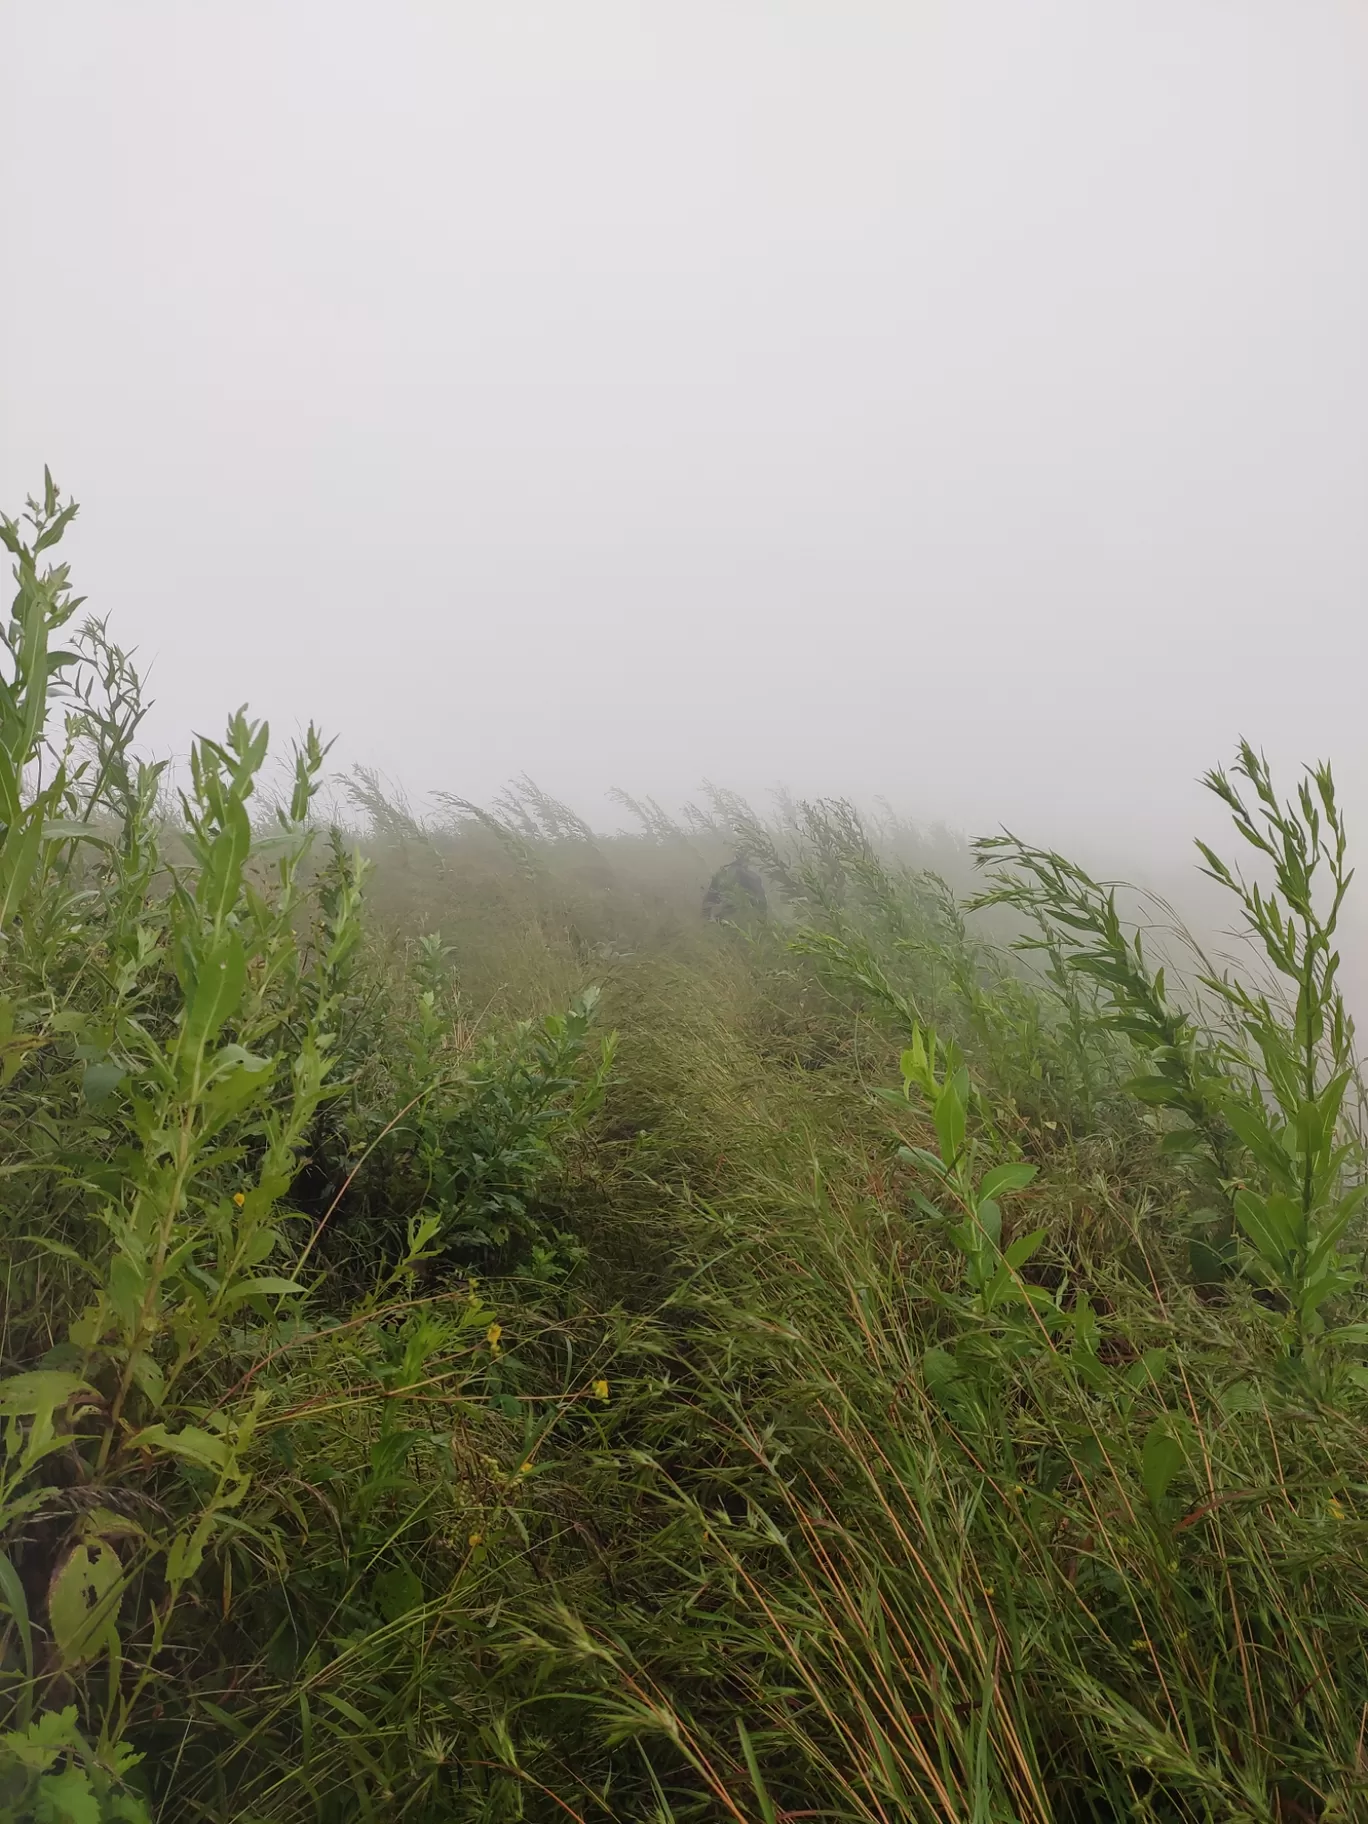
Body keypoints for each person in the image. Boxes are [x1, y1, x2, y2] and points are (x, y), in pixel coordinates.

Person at [702, 854, 768, 922]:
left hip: (730, 911)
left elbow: (709, 898)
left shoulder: (721, 874)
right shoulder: (753, 878)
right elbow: (762, 903)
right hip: (735, 912)